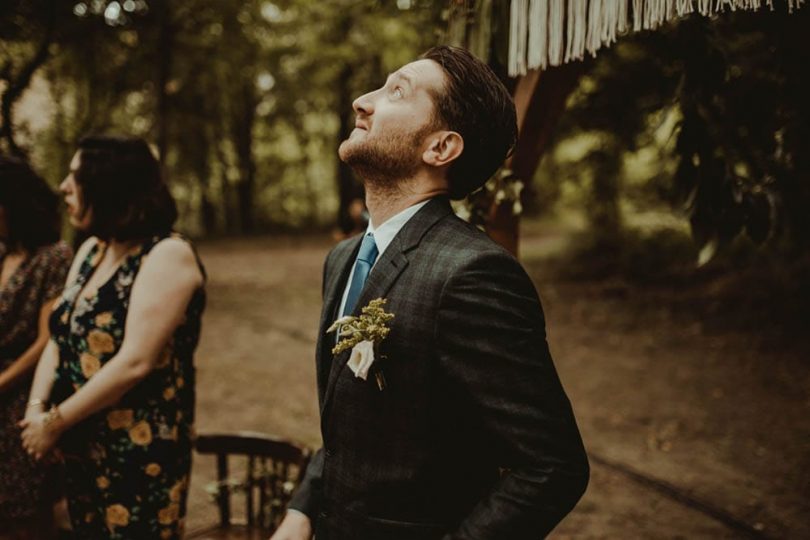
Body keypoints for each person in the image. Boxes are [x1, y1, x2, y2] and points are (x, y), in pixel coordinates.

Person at [272, 45, 589, 540]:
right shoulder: (342, 260)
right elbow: (352, 427)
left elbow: (551, 466)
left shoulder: (474, 274)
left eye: (396, 90)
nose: (362, 100)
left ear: (440, 148)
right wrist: (303, 510)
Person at [19, 136, 206, 539]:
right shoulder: (90, 252)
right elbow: (58, 336)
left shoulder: (167, 254)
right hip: (82, 446)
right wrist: (37, 410)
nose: (64, 186)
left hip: (138, 454)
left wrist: (52, 423)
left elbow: (134, 362)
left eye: (76, 177)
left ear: (109, 187)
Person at [0, 157, 72, 539]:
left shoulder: (54, 257)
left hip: (24, 398)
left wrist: (2, 382)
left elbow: (48, 340)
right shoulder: (3, 253)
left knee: (26, 519)